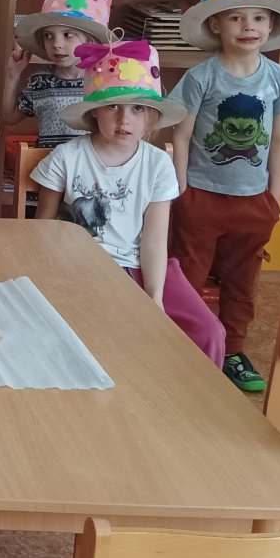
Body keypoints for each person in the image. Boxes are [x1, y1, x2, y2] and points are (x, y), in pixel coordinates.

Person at [32, 41, 226, 365]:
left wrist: (154, 296)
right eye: (113, 106)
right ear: (94, 111)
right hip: (82, 268)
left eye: (137, 109)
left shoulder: (158, 164)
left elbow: (154, 240)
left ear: (151, 116)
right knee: (107, 338)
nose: (125, 119)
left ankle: (198, 396)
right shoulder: (67, 157)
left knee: (210, 332)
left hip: (143, 265)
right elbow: (43, 230)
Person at [170, 0, 280, 391]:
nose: (249, 27)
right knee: (188, 275)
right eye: (236, 17)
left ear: (272, 25)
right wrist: (181, 191)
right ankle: (181, 345)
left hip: (254, 202)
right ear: (216, 25)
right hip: (201, 197)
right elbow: (180, 136)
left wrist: (275, 198)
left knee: (242, 280)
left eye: (259, 18)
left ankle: (233, 350)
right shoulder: (201, 77)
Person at [2, 0, 115, 147]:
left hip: (90, 164)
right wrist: (12, 75)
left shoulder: (104, 80)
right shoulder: (41, 82)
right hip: (50, 164)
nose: (56, 44)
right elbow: (9, 117)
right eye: (48, 36)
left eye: (68, 35)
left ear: (90, 40)